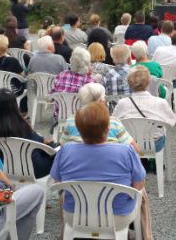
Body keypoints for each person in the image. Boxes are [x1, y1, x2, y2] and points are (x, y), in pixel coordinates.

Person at [50, 102, 152, 239]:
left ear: (79, 130)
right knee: (141, 193)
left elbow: (58, 182)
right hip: (118, 217)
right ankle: (145, 236)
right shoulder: (126, 151)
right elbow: (139, 185)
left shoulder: (65, 150)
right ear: (108, 128)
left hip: (75, 215)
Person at [0, 89, 55, 178]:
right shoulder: (21, 125)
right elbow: (40, 143)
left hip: (10, 168)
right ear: (14, 106)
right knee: (57, 151)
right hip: (36, 169)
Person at [59, 83, 139, 152]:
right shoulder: (113, 122)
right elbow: (134, 149)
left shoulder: (71, 120)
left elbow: (63, 145)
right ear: (101, 101)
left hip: (78, 165)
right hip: (110, 165)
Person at [113, 66, 176, 150]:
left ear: (129, 83)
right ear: (148, 82)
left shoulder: (122, 103)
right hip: (154, 144)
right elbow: (174, 122)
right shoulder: (160, 102)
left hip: (130, 144)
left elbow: (114, 122)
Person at [52, 47, 94, 119]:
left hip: (59, 116)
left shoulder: (61, 75)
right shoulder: (89, 81)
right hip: (80, 119)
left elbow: (52, 96)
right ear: (86, 64)